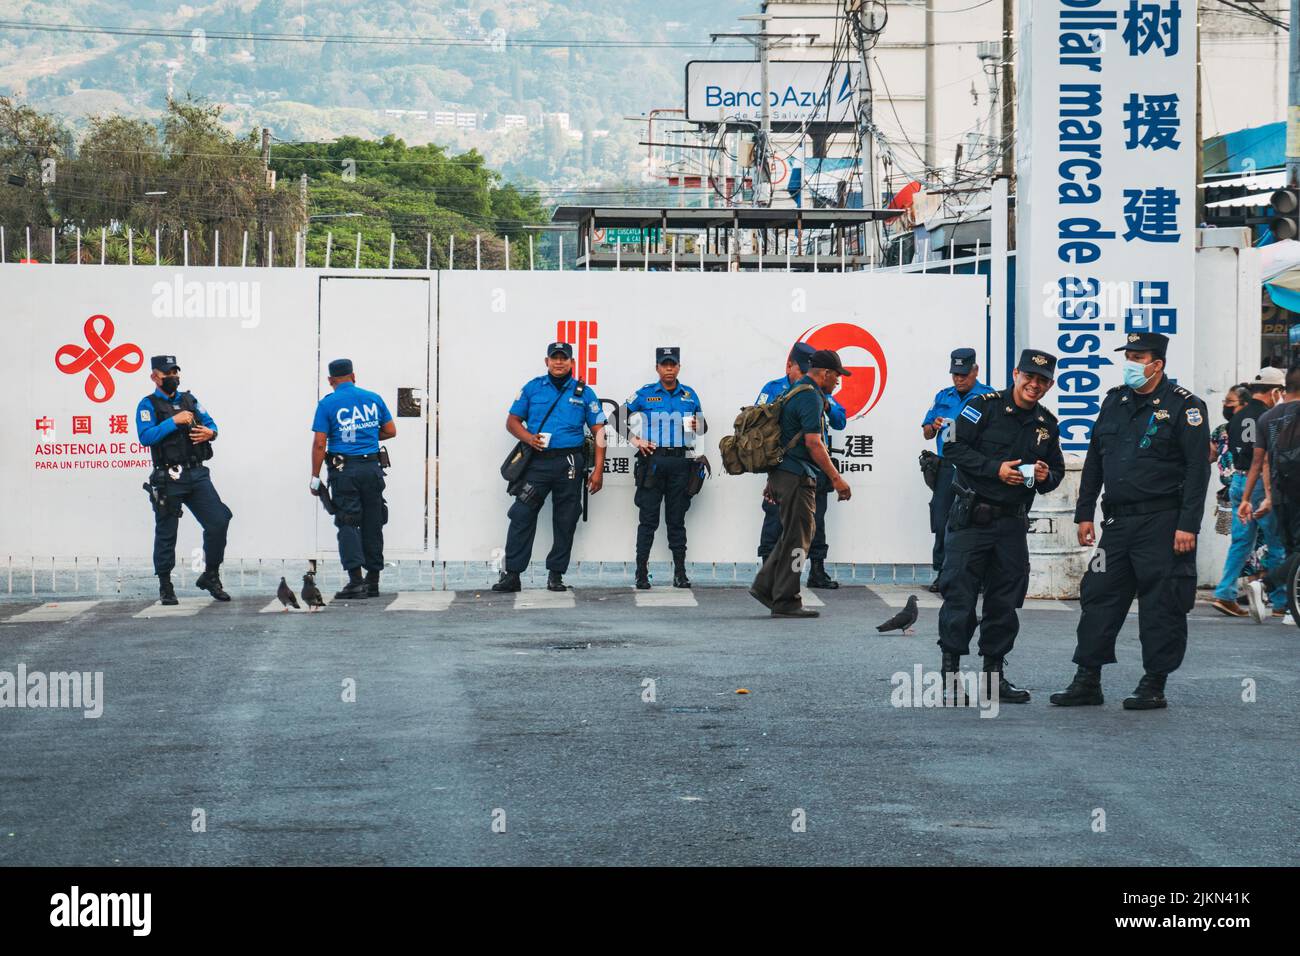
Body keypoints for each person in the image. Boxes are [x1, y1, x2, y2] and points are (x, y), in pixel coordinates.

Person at [1051, 332, 1210, 711]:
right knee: (1098, 596)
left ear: (1158, 364)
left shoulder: (1185, 407)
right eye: (1129, 355)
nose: (1132, 363)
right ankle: (1087, 679)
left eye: (1139, 357)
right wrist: (1084, 512)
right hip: (1118, 525)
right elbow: (1095, 460)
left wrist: (1188, 524)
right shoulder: (1115, 401)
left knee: (1162, 604)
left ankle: (1154, 682)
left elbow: (1196, 469)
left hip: (1163, 521)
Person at [937, 349, 1065, 703]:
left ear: (1049, 385)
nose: (1034, 385)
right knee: (959, 596)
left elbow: (1055, 473)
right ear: (1015, 374)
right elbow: (951, 447)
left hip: (1011, 525)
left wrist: (1044, 475)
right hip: (971, 519)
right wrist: (995, 469)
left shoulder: (1046, 425)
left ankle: (994, 677)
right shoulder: (984, 406)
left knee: (1004, 603)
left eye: (1042, 381)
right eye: (1028, 377)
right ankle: (950, 677)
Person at [492, 342, 606, 593]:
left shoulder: (584, 393)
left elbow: (599, 431)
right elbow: (512, 421)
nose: (559, 362)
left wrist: (598, 470)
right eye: (554, 358)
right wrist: (528, 438)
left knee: (565, 519)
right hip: (537, 462)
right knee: (521, 515)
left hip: (569, 463)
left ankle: (555, 575)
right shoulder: (533, 388)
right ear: (546, 361)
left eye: (563, 358)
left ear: (572, 363)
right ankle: (512, 575)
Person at [749, 349, 853, 618]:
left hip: (785, 473)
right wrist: (836, 478)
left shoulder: (795, 391)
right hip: (797, 476)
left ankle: (764, 586)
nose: (838, 382)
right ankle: (787, 600)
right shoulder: (810, 396)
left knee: (791, 536)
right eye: (837, 376)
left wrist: (773, 479)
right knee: (799, 541)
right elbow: (813, 443)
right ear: (826, 373)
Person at [136, 354, 232, 606]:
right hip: (168, 476)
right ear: (155, 377)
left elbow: (212, 425)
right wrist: (173, 421)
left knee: (219, 520)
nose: (173, 377)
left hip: (197, 473)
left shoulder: (190, 400)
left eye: (176, 372)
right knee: (167, 531)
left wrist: (210, 433)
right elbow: (146, 436)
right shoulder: (147, 405)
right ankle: (165, 585)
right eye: (168, 374)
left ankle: (211, 574)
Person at [310, 358, 396, 600]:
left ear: (330, 381)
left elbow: (319, 443)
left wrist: (315, 477)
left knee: (347, 522)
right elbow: (390, 430)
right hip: (372, 468)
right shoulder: (373, 398)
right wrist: (366, 435)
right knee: (373, 522)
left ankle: (355, 581)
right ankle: (373, 581)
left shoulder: (327, 404)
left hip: (344, 471)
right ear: (354, 376)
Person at [625, 346, 706, 589]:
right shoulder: (646, 393)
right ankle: (641, 573)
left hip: (681, 463)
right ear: (657, 367)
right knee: (648, 520)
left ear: (679, 366)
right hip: (653, 463)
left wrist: (696, 424)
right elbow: (616, 417)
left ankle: (680, 573)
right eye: (664, 364)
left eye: (673, 364)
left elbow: (702, 428)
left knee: (676, 520)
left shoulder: (689, 395)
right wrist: (636, 440)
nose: (669, 369)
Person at [1211, 369, 1285, 617]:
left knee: (1241, 542)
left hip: (1239, 482)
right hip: (1260, 484)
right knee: (1276, 543)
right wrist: (1268, 493)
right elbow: (1264, 459)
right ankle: (1280, 600)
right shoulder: (1270, 417)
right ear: (1275, 392)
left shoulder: (1236, 418)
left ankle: (1225, 593)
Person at [921, 348, 996, 590]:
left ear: (975, 371)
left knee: (977, 520)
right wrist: (934, 425)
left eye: (964, 374)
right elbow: (926, 432)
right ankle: (942, 572)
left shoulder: (988, 398)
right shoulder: (944, 396)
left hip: (975, 469)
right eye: (955, 374)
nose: (959, 379)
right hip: (946, 467)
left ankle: (979, 575)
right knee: (942, 519)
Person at [1238, 365, 1300, 622]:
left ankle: (1289, 608)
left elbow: (1259, 461)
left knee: (1291, 550)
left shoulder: (1268, 418)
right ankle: (1266, 585)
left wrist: (1250, 498)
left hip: (1280, 490)